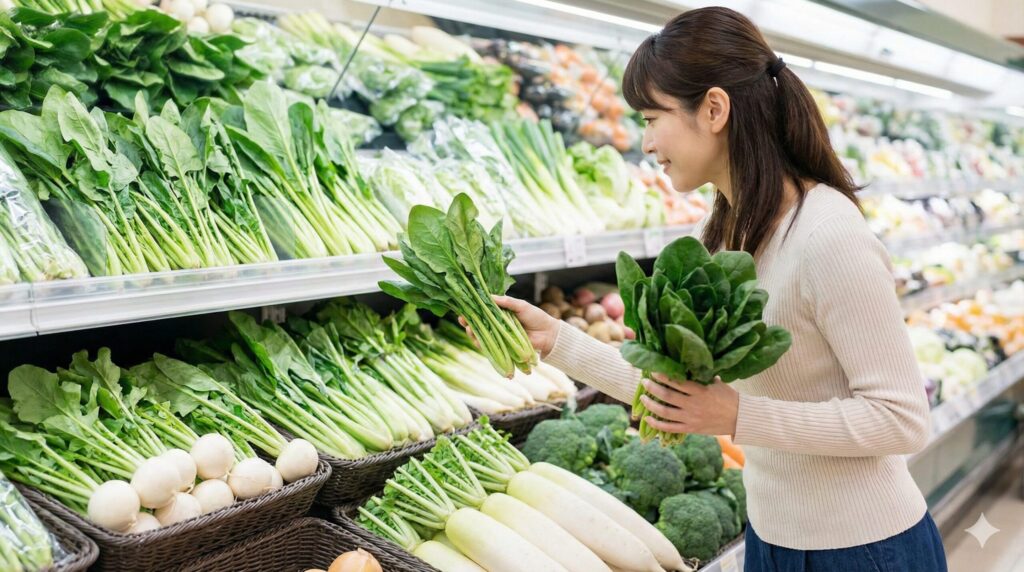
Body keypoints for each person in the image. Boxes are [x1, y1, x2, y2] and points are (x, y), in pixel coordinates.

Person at [464, 6, 948, 572]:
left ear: (714, 109)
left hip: (863, 548)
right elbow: (678, 394)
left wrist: (737, 415)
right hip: (771, 538)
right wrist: (558, 342)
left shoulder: (827, 232)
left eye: (651, 117)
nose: (645, 142)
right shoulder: (720, 233)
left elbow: (902, 418)